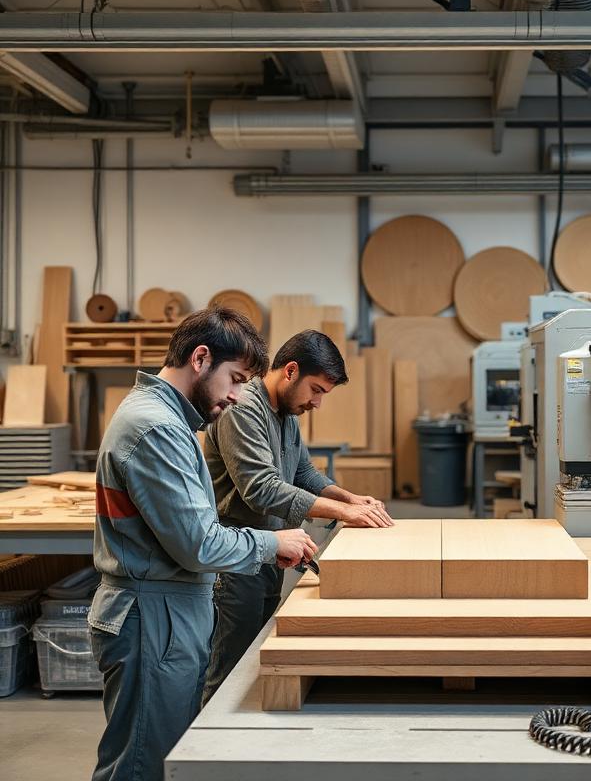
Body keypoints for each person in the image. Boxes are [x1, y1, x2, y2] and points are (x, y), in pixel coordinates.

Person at [89, 307, 317, 781]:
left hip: (169, 612)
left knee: (164, 753)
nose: (236, 396)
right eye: (234, 379)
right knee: (142, 765)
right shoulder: (157, 427)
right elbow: (198, 543)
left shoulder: (167, 419)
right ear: (200, 358)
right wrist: (268, 541)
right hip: (153, 616)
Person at [202, 329, 394, 701]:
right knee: (228, 668)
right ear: (290, 371)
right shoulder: (243, 410)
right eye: (317, 390)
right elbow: (261, 487)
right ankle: (208, 747)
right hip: (238, 559)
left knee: (255, 660)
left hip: (272, 551)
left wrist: (351, 499)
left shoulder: (287, 411)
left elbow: (303, 472)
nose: (317, 403)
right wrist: (343, 513)